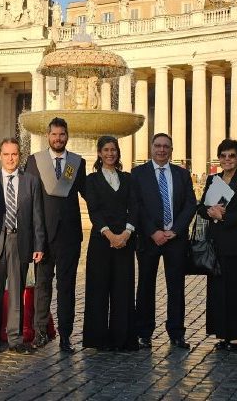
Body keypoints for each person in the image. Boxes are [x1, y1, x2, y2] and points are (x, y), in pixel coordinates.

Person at [0, 138, 45, 356]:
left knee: (17, 292)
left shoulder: (31, 181)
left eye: (14, 154)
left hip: (20, 241)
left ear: (20, 156)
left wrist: (39, 244)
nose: (10, 159)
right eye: (6, 154)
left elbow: (37, 215)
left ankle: (15, 339)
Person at [25, 117, 86, 353]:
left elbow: (87, 194)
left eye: (62, 134)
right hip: (43, 236)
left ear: (67, 136)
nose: (58, 138)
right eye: (54, 134)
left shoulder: (77, 163)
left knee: (67, 286)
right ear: (47, 136)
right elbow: (28, 198)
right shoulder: (34, 161)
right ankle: (40, 332)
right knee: (42, 285)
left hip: (70, 236)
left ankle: (66, 336)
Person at [131, 133, 196, 349]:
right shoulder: (138, 174)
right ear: (151, 148)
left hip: (175, 239)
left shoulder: (182, 174)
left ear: (171, 150)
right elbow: (137, 206)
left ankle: (177, 333)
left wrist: (175, 230)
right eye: (158, 146)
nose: (161, 150)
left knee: (176, 287)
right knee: (145, 286)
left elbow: (190, 204)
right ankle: (143, 332)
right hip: (149, 239)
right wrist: (153, 231)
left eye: (166, 146)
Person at [198, 139, 237, 351]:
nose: (227, 159)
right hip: (217, 246)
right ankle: (224, 333)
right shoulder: (212, 179)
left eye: (232, 156)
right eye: (223, 156)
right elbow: (201, 208)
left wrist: (223, 217)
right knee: (219, 292)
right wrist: (210, 211)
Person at [83, 136, 138, 351]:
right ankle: (98, 338)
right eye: (106, 150)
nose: (110, 153)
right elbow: (94, 210)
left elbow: (135, 207)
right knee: (98, 289)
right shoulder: (92, 180)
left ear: (118, 152)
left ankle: (122, 338)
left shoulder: (128, 178)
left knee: (122, 289)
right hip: (101, 240)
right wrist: (110, 235)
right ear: (99, 153)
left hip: (125, 239)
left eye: (113, 150)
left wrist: (126, 233)